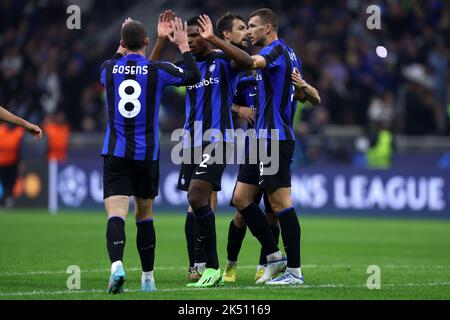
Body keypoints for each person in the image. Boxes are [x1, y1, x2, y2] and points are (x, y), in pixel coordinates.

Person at [99, 17, 200, 294]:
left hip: (116, 153)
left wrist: (122, 41)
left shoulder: (107, 70)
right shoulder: (158, 70)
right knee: (145, 215)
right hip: (146, 155)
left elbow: (116, 60)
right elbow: (193, 76)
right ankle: (147, 278)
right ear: (146, 42)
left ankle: (117, 266)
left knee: (116, 214)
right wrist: (182, 45)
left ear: (121, 43)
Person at [228, 8, 321, 285]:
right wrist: (304, 89)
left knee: (280, 203)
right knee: (241, 199)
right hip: (259, 140)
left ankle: (294, 271)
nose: (248, 31)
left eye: (253, 27)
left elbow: (249, 61)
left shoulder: (276, 52)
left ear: (268, 29)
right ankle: (273, 255)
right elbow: (303, 96)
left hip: (275, 139)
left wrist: (218, 41)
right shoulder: (290, 56)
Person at [212, 12, 281, 283]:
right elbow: (220, 98)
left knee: (273, 211)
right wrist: (237, 108)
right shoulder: (237, 70)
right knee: (241, 213)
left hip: (273, 145)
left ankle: (265, 265)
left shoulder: (273, 66)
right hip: (252, 146)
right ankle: (231, 263)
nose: (249, 34)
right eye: (245, 29)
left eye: (251, 29)